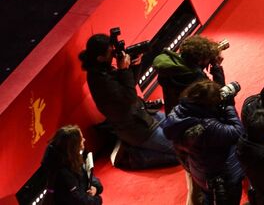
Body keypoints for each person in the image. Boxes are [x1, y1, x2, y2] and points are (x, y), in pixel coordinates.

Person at [79, 34, 177, 170]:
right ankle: (135, 156)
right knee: (182, 152)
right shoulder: (100, 81)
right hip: (136, 129)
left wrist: (134, 66)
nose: (113, 55)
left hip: (144, 115)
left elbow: (130, 83)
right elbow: (129, 97)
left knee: (181, 130)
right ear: (100, 58)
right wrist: (124, 70)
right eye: (110, 53)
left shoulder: (103, 69)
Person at [153, 35, 226, 204]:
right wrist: (216, 69)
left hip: (176, 129)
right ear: (200, 60)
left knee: (193, 175)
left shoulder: (171, 70)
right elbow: (219, 97)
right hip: (195, 134)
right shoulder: (194, 78)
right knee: (202, 186)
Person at [162, 80, 245, 205]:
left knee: (208, 197)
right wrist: (228, 106)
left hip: (200, 172)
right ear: (208, 103)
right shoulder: (207, 126)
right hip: (223, 174)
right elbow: (237, 131)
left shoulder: (179, 112)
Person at [153, 35, 226, 115]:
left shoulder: (171, 67)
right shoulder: (195, 77)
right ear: (199, 61)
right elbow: (219, 95)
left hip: (174, 116)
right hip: (195, 120)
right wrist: (216, 67)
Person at [42, 125, 103, 204]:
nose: (84, 140)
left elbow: (86, 174)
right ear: (73, 146)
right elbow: (78, 201)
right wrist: (97, 200)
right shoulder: (63, 174)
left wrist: (96, 187)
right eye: (81, 139)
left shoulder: (72, 157)